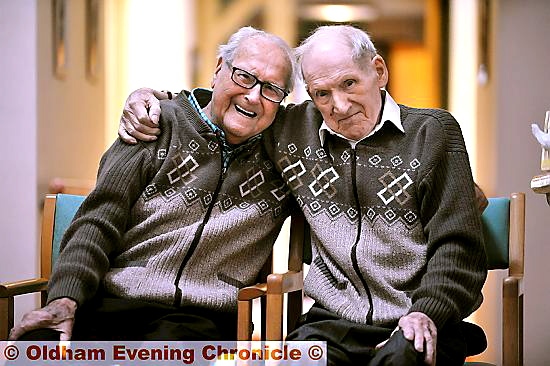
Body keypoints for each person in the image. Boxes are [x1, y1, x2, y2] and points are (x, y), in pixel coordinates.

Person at [119, 25, 488, 366]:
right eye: (322, 93)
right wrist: (157, 101)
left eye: (349, 84)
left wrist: (428, 311)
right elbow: (224, 109)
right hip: (331, 322)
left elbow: (458, 244)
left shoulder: (432, 131)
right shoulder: (292, 131)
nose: (339, 107)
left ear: (378, 71)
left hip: (417, 317)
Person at [9, 26, 298, 342]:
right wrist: (64, 300)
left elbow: (338, 113)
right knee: (35, 348)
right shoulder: (154, 124)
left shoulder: (287, 154)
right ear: (218, 70)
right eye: (244, 76)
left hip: (198, 319)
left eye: (271, 89)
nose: (253, 96)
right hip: (112, 302)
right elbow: (98, 220)